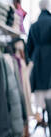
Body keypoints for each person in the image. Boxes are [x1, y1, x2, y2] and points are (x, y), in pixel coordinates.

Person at [27, 0, 51, 130]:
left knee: (40, 93)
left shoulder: (34, 25)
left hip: (38, 60)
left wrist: (35, 55)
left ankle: (41, 117)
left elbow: (28, 48)